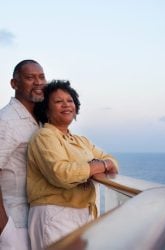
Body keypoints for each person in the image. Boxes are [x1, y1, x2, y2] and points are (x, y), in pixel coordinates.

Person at [27, 80, 119, 249]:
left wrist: (101, 164)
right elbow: (62, 174)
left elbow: (112, 161)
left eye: (69, 101)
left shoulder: (80, 140)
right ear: (46, 109)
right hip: (54, 214)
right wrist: (98, 166)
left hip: (83, 213)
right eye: (58, 101)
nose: (66, 105)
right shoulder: (44, 136)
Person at [0, 59, 46, 249]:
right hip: (14, 222)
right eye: (30, 77)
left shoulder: (42, 120)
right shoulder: (6, 121)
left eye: (42, 77)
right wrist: (5, 230)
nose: (38, 83)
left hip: (36, 221)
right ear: (14, 84)